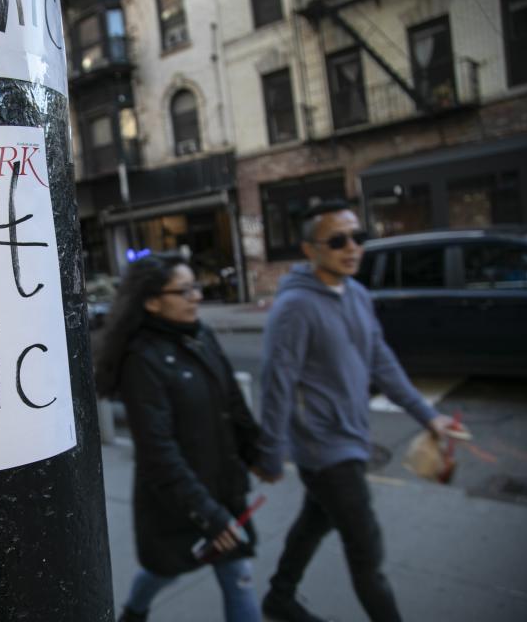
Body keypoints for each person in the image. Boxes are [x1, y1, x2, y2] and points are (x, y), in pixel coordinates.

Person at [254, 201, 460, 622]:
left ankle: (279, 596)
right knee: (367, 551)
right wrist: (270, 451)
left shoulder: (358, 294)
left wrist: (427, 415)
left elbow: (381, 361)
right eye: (337, 240)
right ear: (310, 250)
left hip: (351, 436)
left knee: (315, 520)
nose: (352, 248)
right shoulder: (294, 308)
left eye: (358, 237)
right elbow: (276, 385)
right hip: (324, 449)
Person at [95, 253, 263, 622]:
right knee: (164, 571)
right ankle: (135, 611)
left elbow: (232, 401)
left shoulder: (200, 335)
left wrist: (257, 450)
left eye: (195, 287)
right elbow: (158, 453)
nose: (196, 297)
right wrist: (209, 517)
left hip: (220, 489)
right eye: (184, 291)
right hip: (178, 500)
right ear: (153, 302)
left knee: (238, 575)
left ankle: (133, 613)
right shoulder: (142, 360)